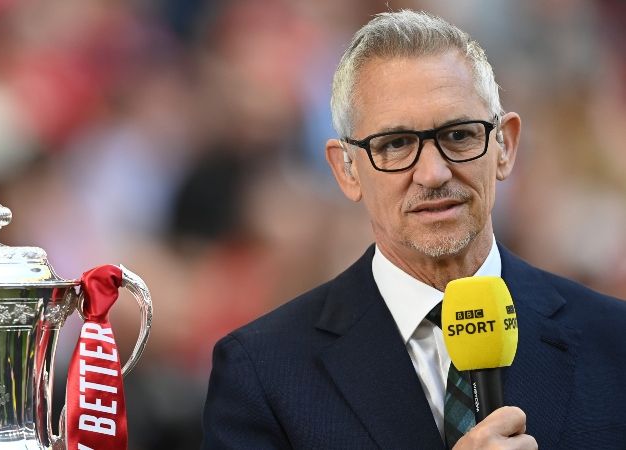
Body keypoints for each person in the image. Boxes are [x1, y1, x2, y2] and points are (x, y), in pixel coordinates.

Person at [201, 10, 626, 450]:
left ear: (505, 146)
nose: (433, 172)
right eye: (396, 144)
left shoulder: (615, 343)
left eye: (459, 135)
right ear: (346, 170)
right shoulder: (263, 372)